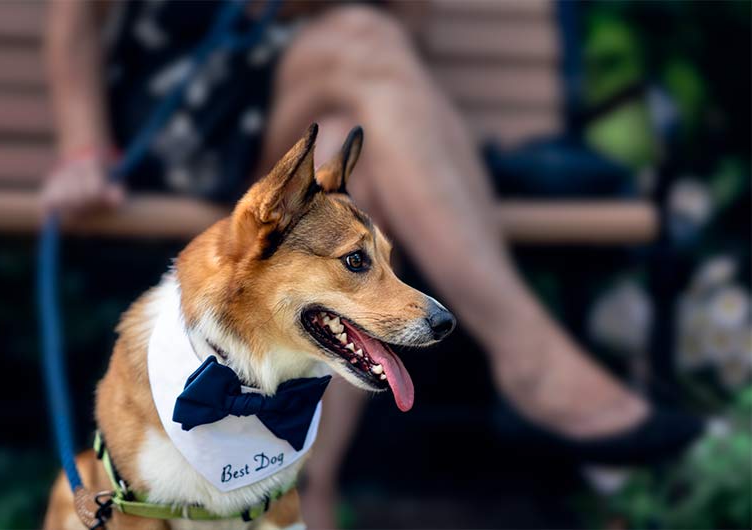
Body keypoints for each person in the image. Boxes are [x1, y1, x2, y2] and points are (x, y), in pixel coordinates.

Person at [41, 1, 700, 528]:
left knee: (355, 149)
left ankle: (296, 487)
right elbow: (75, 12)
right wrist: (81, 152)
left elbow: (405, 29)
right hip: (179, 99)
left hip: (291, 119)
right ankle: (529, 359)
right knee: (361, 39)